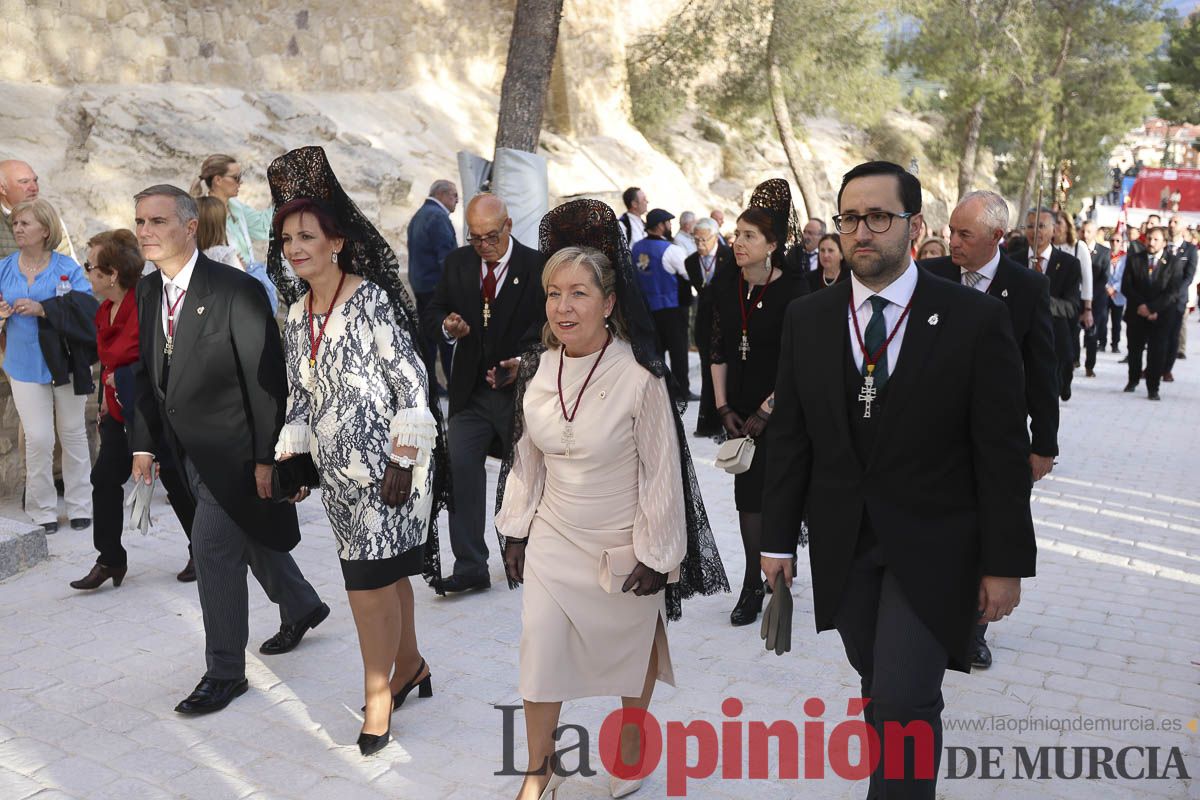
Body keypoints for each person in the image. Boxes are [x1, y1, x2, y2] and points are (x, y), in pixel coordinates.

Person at [763, 161, 1036, 799]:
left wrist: (1005, 563)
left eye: (878, 217)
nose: (862, 232)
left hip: (937, 543)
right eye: (850, 218)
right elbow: (793, 439)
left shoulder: (971, 319)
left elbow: (1000, 453)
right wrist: (775, 541)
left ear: (913, 226)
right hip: (844, 541)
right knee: (879, 686)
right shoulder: (808, 320)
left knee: (907, 696)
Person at [495, 199, 726, 800]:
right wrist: (516, 529)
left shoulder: (640, 377)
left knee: (632, 650)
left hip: (621, 540)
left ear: (609, 301)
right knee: (540, 648)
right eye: (553, 294)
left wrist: (658, 553)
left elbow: (661, 475)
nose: (563, 307)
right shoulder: (540, 369)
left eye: (577, 293)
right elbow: (527, 458)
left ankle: (629, 753)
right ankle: (537, 772)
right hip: (555, 536)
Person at [269, 147, 446, 756]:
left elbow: (412, 382)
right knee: (388, 574)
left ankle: (377, 696)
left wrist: (403, 458)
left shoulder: (371, 298)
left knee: (365, 583)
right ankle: (413, 665)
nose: (295, 247)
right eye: (286, 237)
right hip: (339, 477)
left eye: (306, 235)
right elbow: (299, 391)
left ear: (336, 242)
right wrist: (295, 458)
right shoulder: (294, 314)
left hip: (393, 470)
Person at [128, 184, 329, 715]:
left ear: (190, 227)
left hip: (238, 451)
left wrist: (267, 458)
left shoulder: (236, 290)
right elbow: (147, 375)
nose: (145, 231)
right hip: (183, 452)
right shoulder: (147, 292)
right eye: (140, 222)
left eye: (157, 221)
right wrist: (143, 446)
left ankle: (224, 672)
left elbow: (266, 383)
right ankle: (302, 604)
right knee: (247, 533)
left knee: (213, 549)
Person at [921, 190, 1058, 668]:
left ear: (997, 238)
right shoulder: (930, 276)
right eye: (951, 232)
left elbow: (1043, 371)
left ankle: (973, 631)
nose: (952, 242)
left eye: (964, 235)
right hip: (933, 435)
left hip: (996, 439)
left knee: (988, 526)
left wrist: (1044, 444)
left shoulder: (1026, 288)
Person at [422, 193, 547, 592]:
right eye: (475, 238)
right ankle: (471, 565)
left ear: (508, 225)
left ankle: (535, 554)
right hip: (470, 393)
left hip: (523, 394)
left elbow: (551, 330)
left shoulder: (537, 267)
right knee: (460, 469)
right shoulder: (459, 263)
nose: (483, 246)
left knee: (530, 477)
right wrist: (448, 325)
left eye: (490, 236)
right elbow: (433, 310)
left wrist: (521, 364)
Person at [70, 230, 197, 590]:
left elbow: (154, 359)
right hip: (117, 410)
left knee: (174, 478)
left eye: (90, 266)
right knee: (103, 480)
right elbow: (108, 366)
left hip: (152, 410)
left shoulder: (146, 304)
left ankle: (202, 549)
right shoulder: (105, 309)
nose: (86, 272)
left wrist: (119, 379)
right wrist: (104, 400)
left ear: (111, 274)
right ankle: (110, 559)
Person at [711, 179, 810, 627]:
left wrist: (767, 410)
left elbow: (799, 361)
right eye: (736, 234)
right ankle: (753, 584)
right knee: (748, 502)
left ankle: (780, 575)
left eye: (749, 236)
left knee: (781, 497)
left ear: (772, 244)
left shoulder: (794, 292)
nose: (738, 242)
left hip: (785, 415)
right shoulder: (726, 285)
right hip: (739, 416)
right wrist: (722, 408)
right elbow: (716, 349)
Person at [0, 198, 93, 532]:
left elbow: (85, 308)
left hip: (64, 364)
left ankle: (81, 503)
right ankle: (42, 509)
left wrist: (43, 310)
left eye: (25, 223)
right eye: (16, 224)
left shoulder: (65, 266)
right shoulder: (4, 267)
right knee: (38, 438)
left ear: (45, 229)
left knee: (72, 432)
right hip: (21, 364)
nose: (18, 228)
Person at [190, 154, 278, 312]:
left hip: (250, 277)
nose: (241, 182)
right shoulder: (204, 212)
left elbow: (265, 228)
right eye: (236, 177)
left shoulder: (236, 206)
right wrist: (232, 263)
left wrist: (278, 196)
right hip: (228, 288)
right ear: (218, 180)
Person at [1013, 207, 1082, 402]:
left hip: (1055, 333)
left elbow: (1070, 306)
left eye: (1041, 226)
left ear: (1054, 230)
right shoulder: (1013, 261)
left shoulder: (1069, 264)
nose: (1035, 232)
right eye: (1030, 226)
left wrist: (1041, 302)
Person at [631, 209, 694, 401]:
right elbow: (688, 274)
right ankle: (681, 391)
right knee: (678, 352)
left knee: (655, 352)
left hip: (647, 309)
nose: (670, 226)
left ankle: (659, 391)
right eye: (668, 222)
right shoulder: (671, 250)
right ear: (660, 226)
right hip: (671, 308)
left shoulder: (636, 248)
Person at [407, 179, 459, 396]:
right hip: (437, 289)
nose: (457, 201)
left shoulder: (419, 215)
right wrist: (457, 287)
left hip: (421, 286)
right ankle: (453, 387)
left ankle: (431, 385)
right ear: (443, 194)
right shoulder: (437, 217)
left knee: (428, 340)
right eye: (455, 196)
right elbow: (447, 258)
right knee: (446, 338)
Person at [1123, 227, 1186, 401]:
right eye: (1149, 238)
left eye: (1156, 239)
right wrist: (1142, 306)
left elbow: (1173, 291)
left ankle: (1153, 388)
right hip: (1137, 313)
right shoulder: (1135, 259)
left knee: (1157, 353)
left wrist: (1153, 308)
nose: (1151, 242)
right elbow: (1127, 286)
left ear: (1164, 243)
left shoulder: (1174, 263)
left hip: (1161, 316)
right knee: (1134, 350)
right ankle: (1132, 380)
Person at [684, 217, 734, 437]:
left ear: (715, 237)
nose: (700, 244)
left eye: (704, 239)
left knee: (728, 368)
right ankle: (708, 422)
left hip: (727, 318)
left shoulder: (729, 256)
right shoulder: (691, 261)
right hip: (705, 321)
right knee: (707, 370)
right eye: (696, 240)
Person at [0, 159, 77, 259]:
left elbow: (69, 268)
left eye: (35, 180)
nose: (34, 188)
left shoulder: (49, 218)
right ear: (2, 189)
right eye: (24, 182)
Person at [1052, 212, 1093, 371]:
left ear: (1068, 227)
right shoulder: (1048, 246)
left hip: (1072, 303)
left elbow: (1087, 279)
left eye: (1059, 223)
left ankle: (1066, 373)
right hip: (1053, 301)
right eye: (1053, 223)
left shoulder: (1078, 247)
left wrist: (1087, 309)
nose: (1056, 227)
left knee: (1069, 342)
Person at [1162, 214, 1198, 380]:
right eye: (1170, 221)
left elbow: (1189, 276)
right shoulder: (1161, 245)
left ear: (1183, 227)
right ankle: (1153, 365)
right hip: (1158, 298)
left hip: (1177, 300)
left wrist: (1175, 293)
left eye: (1176, 222)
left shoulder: (1190, 250)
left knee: (1172, 334)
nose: (1171, 225)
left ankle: (1167, 368)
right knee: (1155, 334)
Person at [1079, 221, 1111, 377]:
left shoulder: (1104, 252)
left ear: (1095, 233)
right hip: (1075, 297)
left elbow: (1104, 277)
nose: (1085, 234)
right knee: (1072, 332)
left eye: (1089, 231)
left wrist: (1089, 295)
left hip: (1096, 300)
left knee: (1092, 334)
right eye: (1083, 231)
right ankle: (1073, 359)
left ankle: (1089, 365)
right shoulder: (1074, 249)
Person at [196, 196, 245, 270]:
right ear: (221, 224)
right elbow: (242, 280)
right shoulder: (225, 254)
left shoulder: (191, 256)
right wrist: (242, 267)